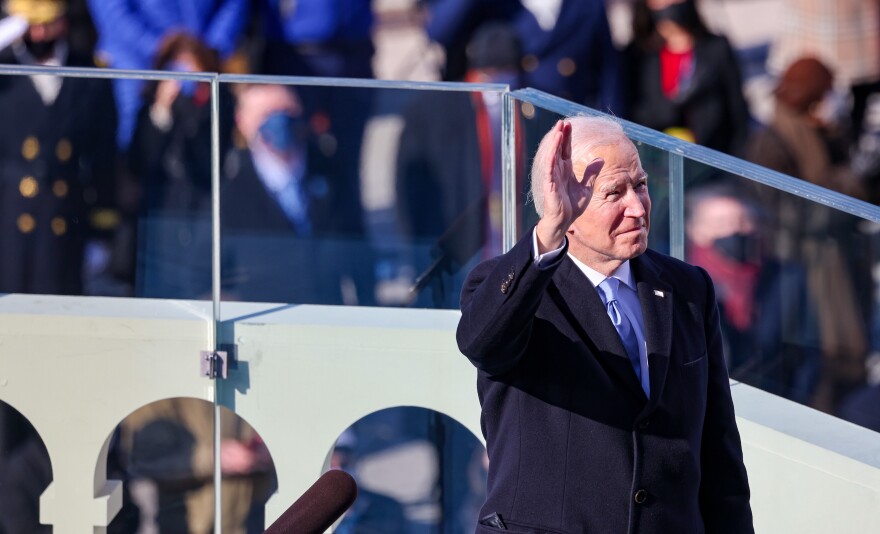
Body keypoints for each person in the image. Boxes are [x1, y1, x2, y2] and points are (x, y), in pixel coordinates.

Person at [456, 116, 753, 532]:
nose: (637, 206)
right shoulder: (513, 286)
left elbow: (720, 458)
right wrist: (547, 234)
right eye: (614, 192)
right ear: (566, 209)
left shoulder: (689, 289)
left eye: (641, 185)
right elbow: (480, 340)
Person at [0, 0, 118, 295]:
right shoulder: (5, 69)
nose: (39, 35)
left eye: (47, 24)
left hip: (65, 218)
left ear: (63, 22)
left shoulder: (90, 72)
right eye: (31, 25)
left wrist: (101, 232)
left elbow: (104, 157)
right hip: (9, 220)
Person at [217, 84, 374, 305]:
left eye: (286, 111)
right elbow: (202, 275)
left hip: (326, 319)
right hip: (261, 326)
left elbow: (361, 255)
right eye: (267, 114)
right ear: (244, 122)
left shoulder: (332, 175)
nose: (280, 121)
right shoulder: (229, 195)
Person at [622, 0, 750, 156]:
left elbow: (738, 115)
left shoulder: (716, 49)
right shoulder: (637, 57)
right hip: (656, 166)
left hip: (713, 166)